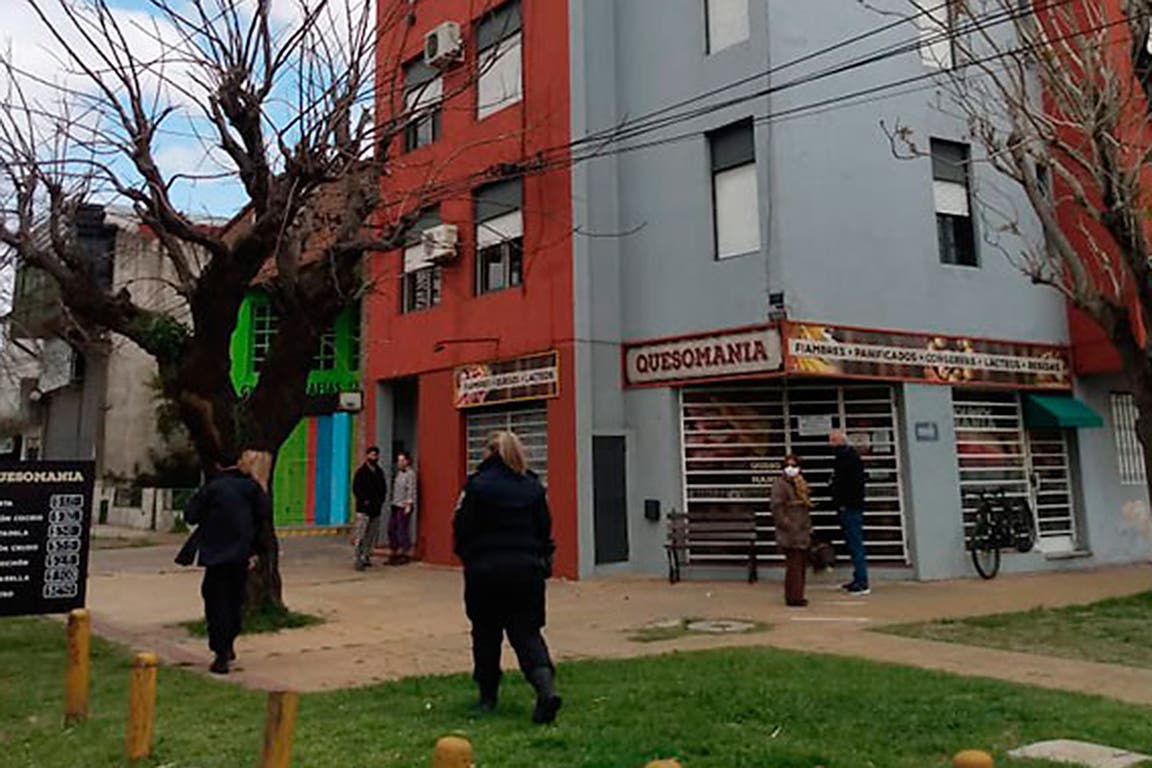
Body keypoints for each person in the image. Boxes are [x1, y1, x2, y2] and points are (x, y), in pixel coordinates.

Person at [453, 431, 562, 725]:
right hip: (526, 571)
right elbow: (544, 529)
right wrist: (542, 560)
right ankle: (545, 689)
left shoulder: (476, 486)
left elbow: (462, 527)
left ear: (490, 453)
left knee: (486, 634)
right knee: (527, 633)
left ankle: (488, 697)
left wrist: (469, 556)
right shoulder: (533, 487)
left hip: (485, 571)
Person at [183, 452, 269, 674]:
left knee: (215, 599)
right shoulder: (252, 489)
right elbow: (263, 520)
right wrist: (256, 551)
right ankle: (228, 641)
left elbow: (191, 514)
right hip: (241, 555)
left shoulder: (213, 488)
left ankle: (220, 650)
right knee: (234, 599)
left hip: (216, 554)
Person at [829, 430, 870, 595]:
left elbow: (851, 484)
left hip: (850, 507)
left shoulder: (848, 459)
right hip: (848, 506)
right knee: (853, 544)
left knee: (855, 543)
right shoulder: (845, 457)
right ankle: (858, 578)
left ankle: (862, 582)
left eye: (832, 441)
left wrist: (844, 503)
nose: (829, 444)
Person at [770, 455, 812, 607]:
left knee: (800, 565)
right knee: (793, 565)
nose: (791, 469)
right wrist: (787, 524)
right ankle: (794, 597)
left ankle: (797, 594)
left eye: (794, 466)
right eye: (788, 466)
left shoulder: (800, 484)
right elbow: (777, 508)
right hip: (790, 532)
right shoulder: (780, 485)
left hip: (802, 530)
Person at [352, 446, 388, 571]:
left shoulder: (379, 472)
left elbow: (383, 488)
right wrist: (364, 501)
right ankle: (358, 559)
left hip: (376, 509)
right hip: (363, 510)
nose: (374, 457)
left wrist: (381, 501)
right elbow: (356, 489)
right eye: (372, 455)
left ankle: (366, 556)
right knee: (360, 535)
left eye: (376, 455)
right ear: (367, 456)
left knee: (371, 535)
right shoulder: (361, 473)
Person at [388, 451, 417, 565]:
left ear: (407, 461)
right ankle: (394, 551)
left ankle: (404, 552)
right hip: (395, 504)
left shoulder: (410, 474)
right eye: (398, 460)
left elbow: (411, 489)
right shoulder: (399, 473)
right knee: (391, 529)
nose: (399, 463)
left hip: (404, 506)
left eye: (402, 460)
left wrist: (409, 504)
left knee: (402, 530)